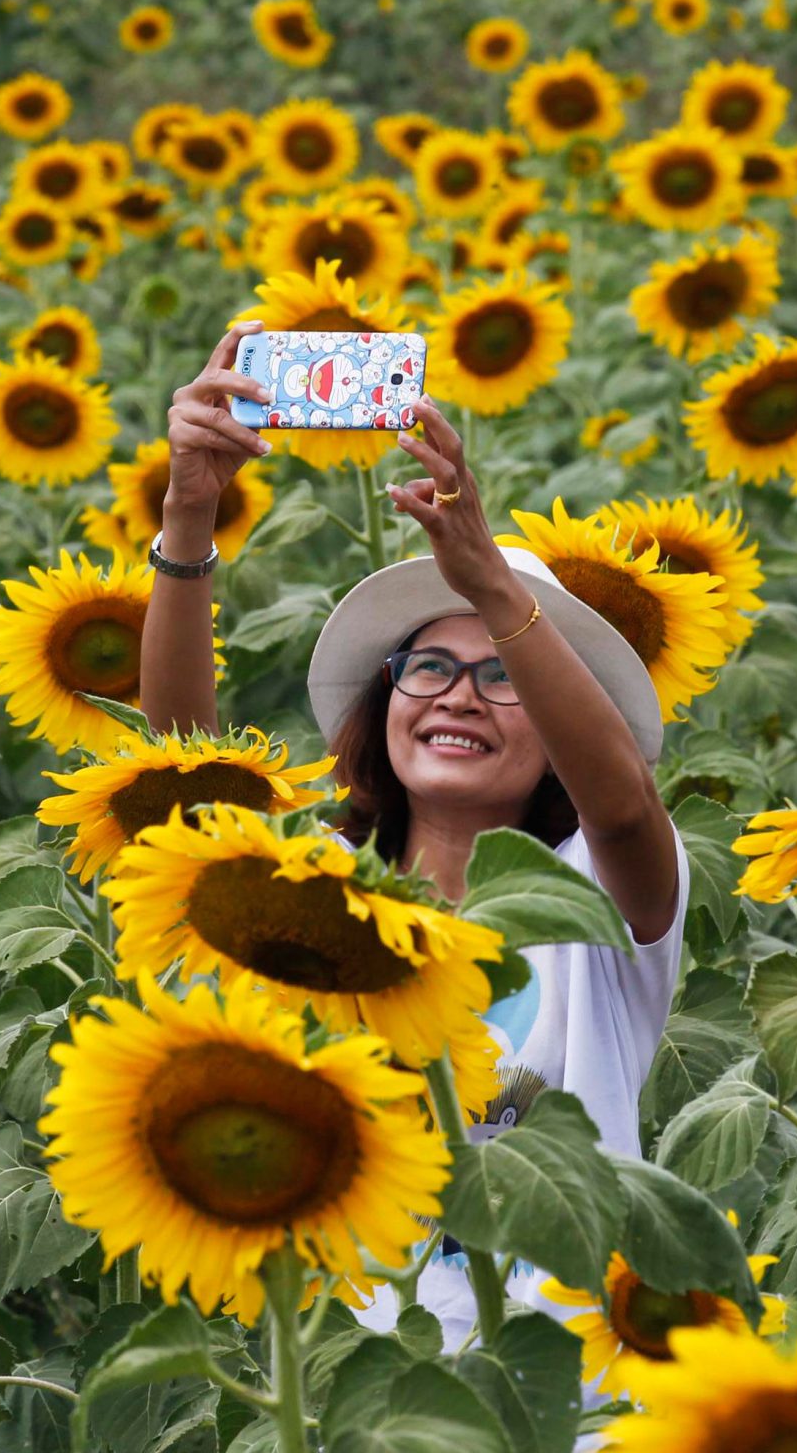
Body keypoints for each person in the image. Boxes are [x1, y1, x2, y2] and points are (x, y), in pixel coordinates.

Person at [141, 320, 687, 1349]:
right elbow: (182, 779)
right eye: (429, 666)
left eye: (507, 675)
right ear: (384, 703)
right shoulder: (323, 895)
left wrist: (488, 580)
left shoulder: (590, 900)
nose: (460, 698)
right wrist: (188, 514)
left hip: (568, 1391)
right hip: (364, 1377)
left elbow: (619, 804)